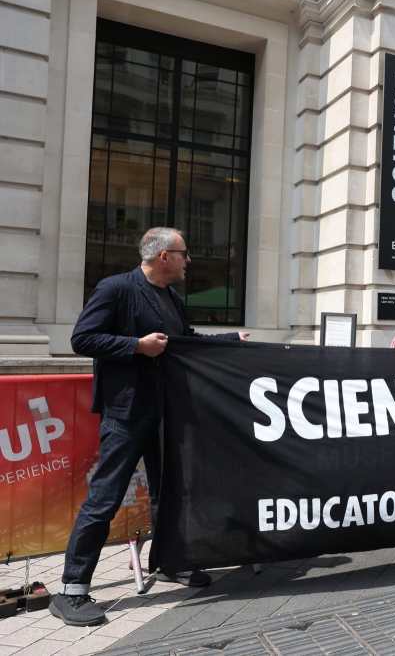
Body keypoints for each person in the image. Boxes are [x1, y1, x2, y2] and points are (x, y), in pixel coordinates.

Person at [51, 227, 249, 627]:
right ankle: (72, 589)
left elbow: (185, 341)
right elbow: (82, 338)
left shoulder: (171, 297)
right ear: (163, 257)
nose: (188, 260)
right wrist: (135, 345)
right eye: (183, 253)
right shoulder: (116, 288)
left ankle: (170, 561)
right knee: (104, 499)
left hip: (164, 412)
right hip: (125, 415)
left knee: (169, 494)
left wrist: (231, 339)